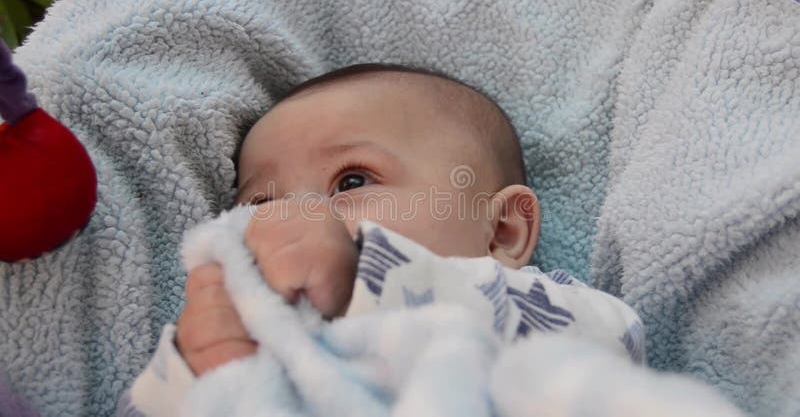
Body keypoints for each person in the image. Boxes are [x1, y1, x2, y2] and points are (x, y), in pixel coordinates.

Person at [119, 64, 642, 415]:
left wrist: (365, 274)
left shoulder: (550, 309)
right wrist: (204, 362)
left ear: (503, 232)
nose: (299, 215)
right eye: (262, 204)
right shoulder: (271, 335)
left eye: (351, 182)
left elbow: (606, 359)